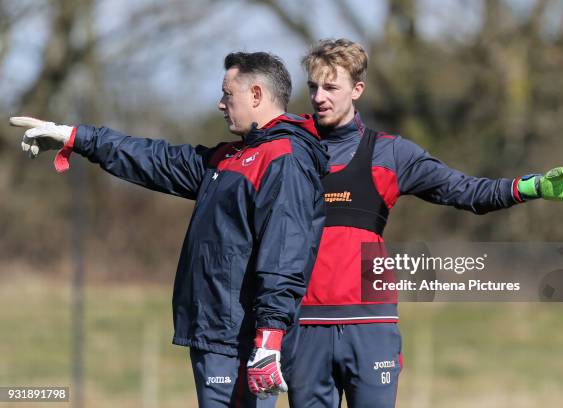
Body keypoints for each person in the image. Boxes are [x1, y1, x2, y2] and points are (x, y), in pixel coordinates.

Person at [285, 38, 563, 408]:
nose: (319, 97)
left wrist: (532, 186)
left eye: (330, 87)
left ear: (357, 90)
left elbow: (465, 191)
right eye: (313, 87)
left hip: (370, 326)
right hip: (303, 326)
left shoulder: (391, 153)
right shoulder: (288, 147)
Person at [10, 51, 329, 408]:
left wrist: (269, 338)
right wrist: (78, 137)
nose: (220, 103)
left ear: (256, 95)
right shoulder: (229, 157)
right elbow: (156, 159)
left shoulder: (282, 158)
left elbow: (285, 253)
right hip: (215, 333)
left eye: (228, 94)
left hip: (240, 340)